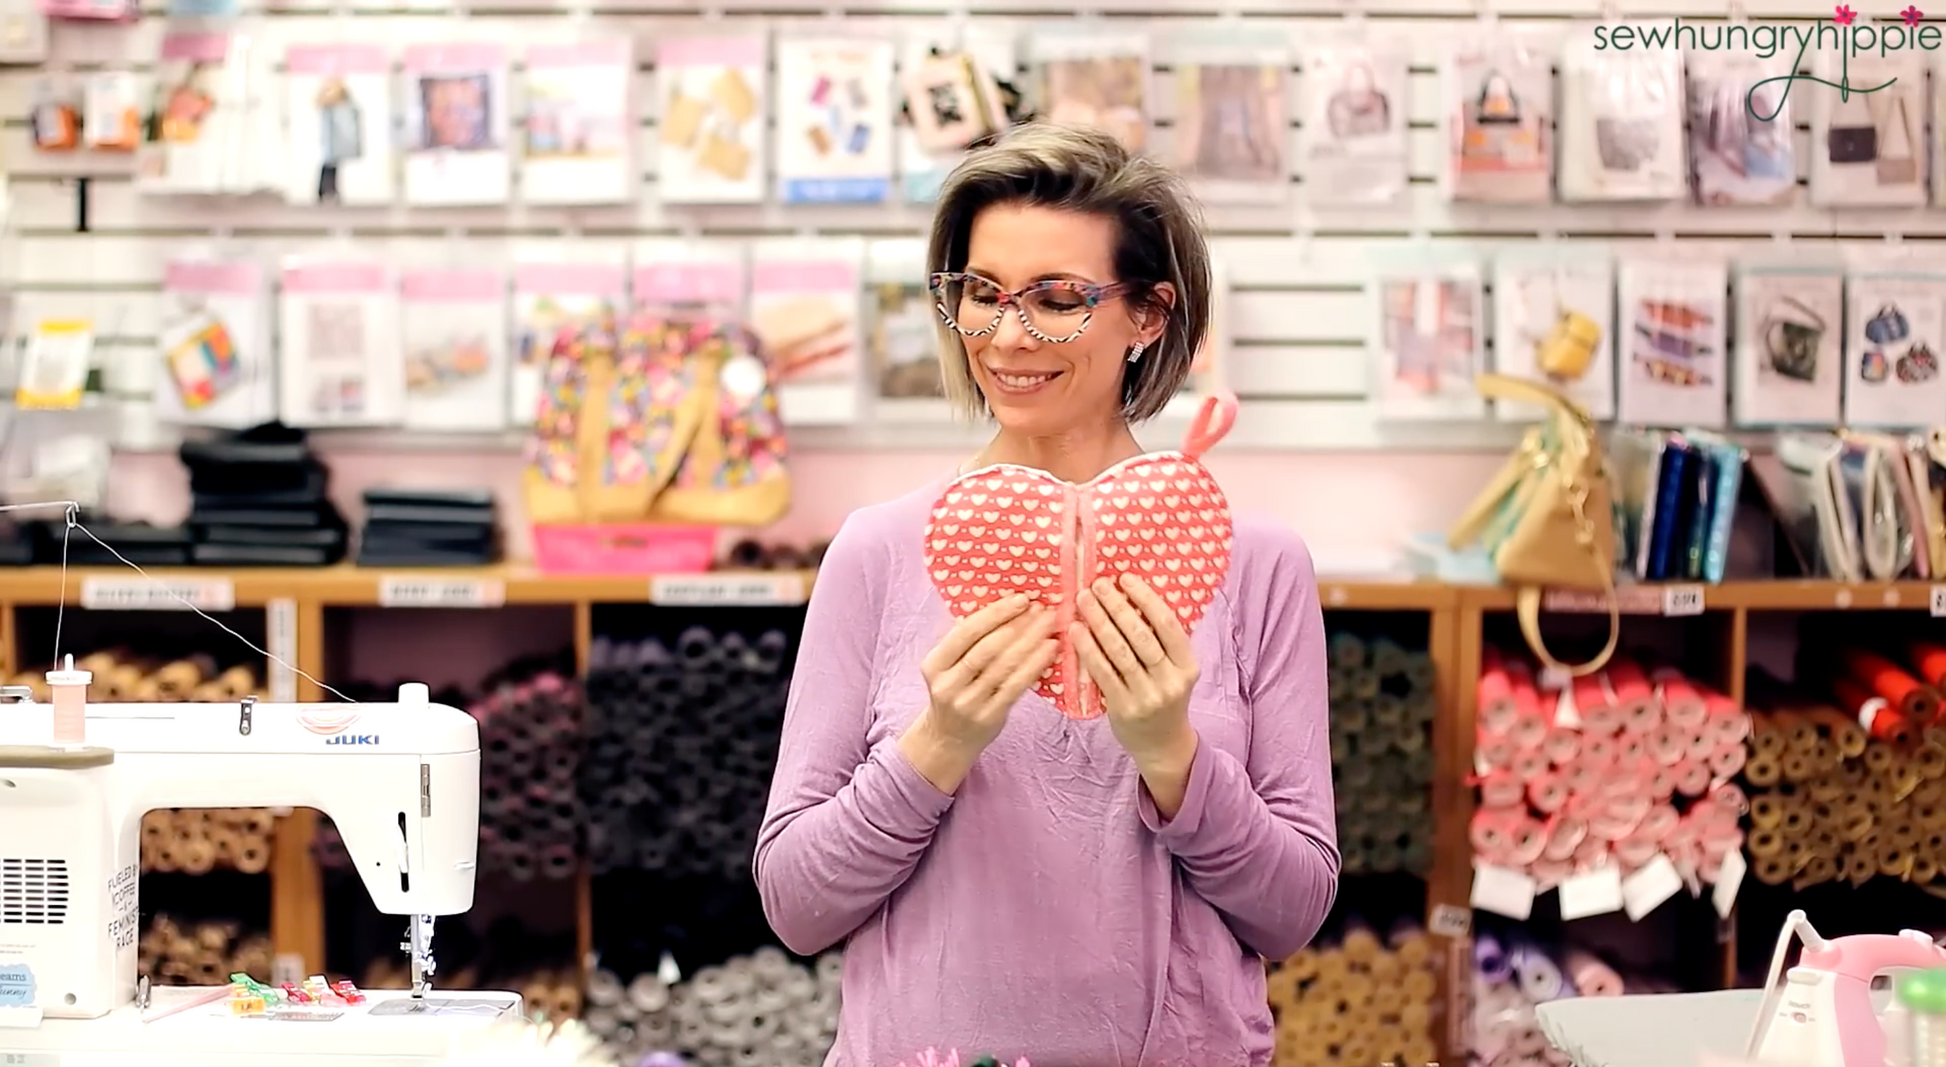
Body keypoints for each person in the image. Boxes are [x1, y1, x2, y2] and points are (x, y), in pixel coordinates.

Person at [754, 122, 1339, 1067]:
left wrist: (1173, 757)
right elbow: (797, 904)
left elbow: (1291, 912)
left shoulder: (1259, 563)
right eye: (981, 295)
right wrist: (937, 745)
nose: (1008, 336)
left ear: (1150, 314)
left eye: (1058, 299)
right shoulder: (878, 551)